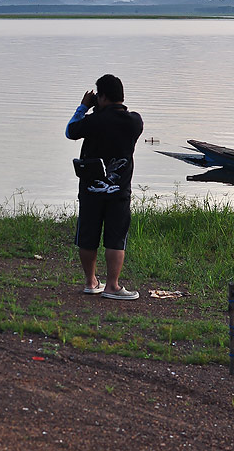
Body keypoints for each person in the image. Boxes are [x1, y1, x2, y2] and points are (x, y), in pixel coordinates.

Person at [65, 74, 143, 300]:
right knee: (116, 237)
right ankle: (112, 286)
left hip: (90, 190)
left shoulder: (92, 121)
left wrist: (83, 107)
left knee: (88, 235)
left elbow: (70, 131)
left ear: (102, 97)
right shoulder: (135, 121)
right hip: (119, 190)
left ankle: (90, 282)